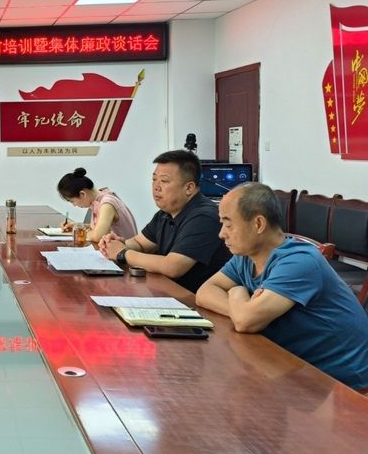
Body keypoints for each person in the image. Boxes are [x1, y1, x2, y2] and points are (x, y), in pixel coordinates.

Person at [196, 183, 368, 390]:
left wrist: (237, 294)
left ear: (258, 224)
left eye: (228, 224)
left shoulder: (299, 261)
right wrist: (240, 303)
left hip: (343, 385)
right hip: (297, 369)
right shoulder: (246, 256)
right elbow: (204, 292)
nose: (221, 234)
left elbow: (246, 322)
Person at [100, 150, 230, 292]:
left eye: (164, 181)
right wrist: (117, 244)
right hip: (168, 291)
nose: (156, 186)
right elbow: (140, 243)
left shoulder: (205, 217)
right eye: (154, 179)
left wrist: (123, 253)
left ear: (189, 188)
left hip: (193, 299)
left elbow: (173, 267)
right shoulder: (165, 213)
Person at [56, 168, 137, 242]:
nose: (74, 205)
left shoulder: (107, 203)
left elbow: (97, 236)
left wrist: (77, 232)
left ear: (82, 194)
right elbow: (99, 227)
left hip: (123, 251)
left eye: (72, 201)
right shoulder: (100, 199)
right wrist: (77, 226)